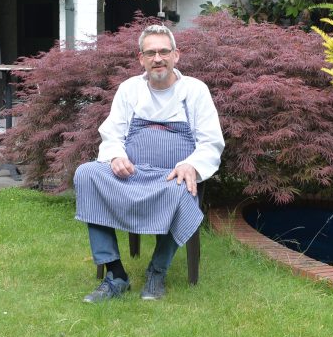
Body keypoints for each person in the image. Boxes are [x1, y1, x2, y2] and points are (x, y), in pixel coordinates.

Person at [74, 24, 224, 302]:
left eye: (164, 51)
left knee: (183, 188)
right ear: (140, 58)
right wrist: (117, 156)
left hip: (171, 178)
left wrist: (191, 165)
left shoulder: (195, 91)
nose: (158, 58)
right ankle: (116, 275)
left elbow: (211, 142)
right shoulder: (130, 89)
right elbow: (111, 133)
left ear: (176, 55)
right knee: (86, 174)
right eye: (151, 52)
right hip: (132, 176)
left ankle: (157, 271)